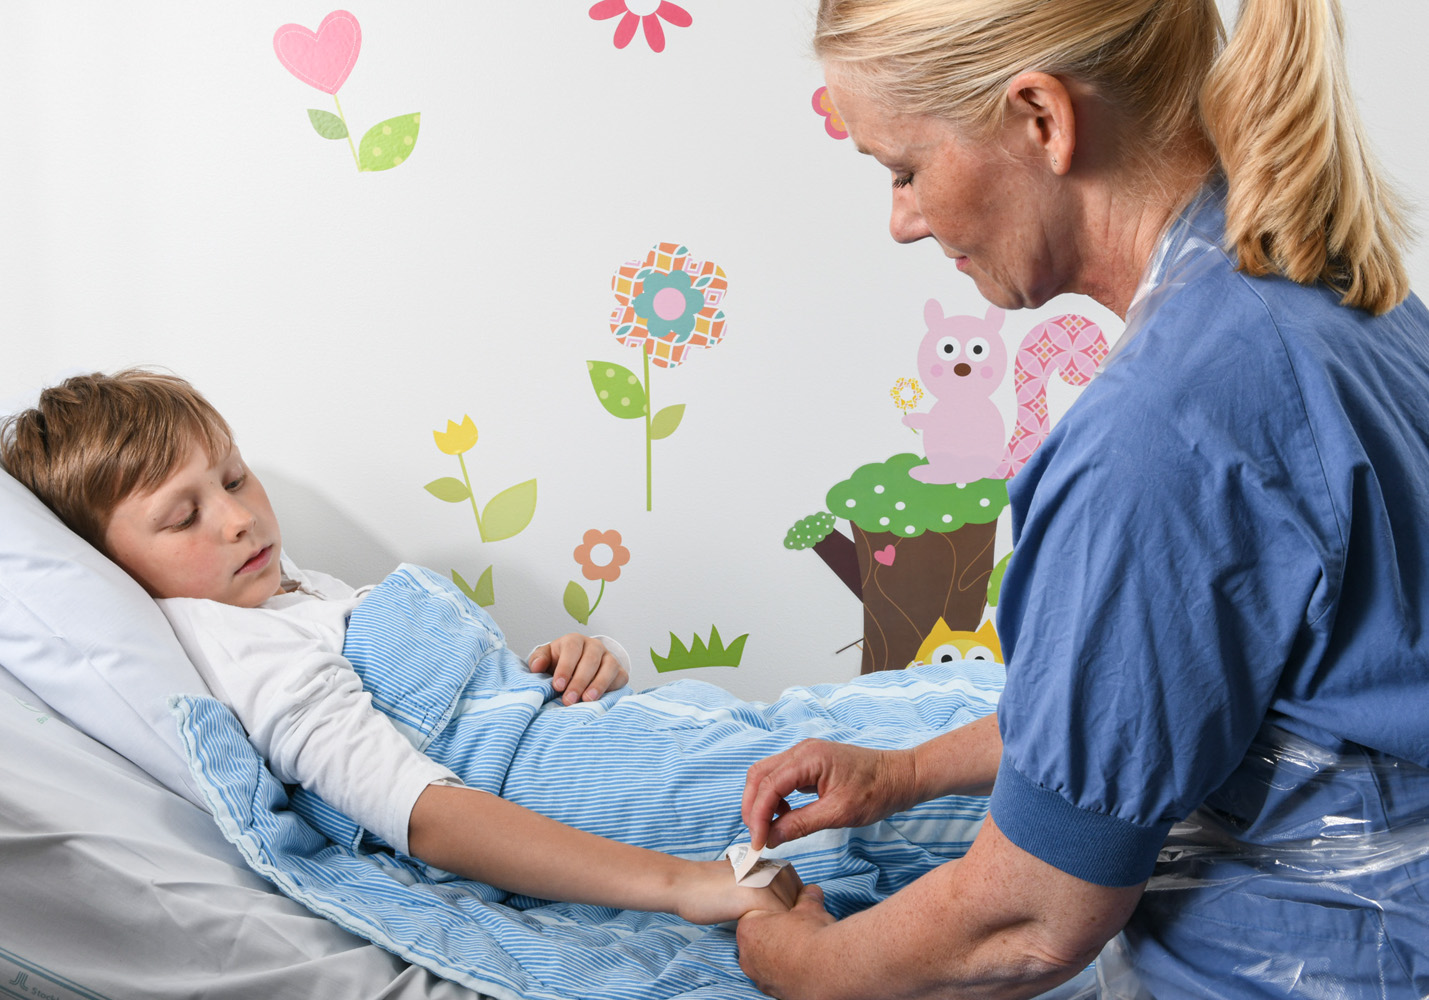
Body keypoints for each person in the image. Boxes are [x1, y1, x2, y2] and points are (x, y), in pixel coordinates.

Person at [736, 1, 1429, 998]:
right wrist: (907, 772)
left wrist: (806, 965)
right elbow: (1176, 690)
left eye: (904, 169)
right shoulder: (1338, 291)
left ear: (1040, 120)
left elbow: (1026, 921)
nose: (902, 221)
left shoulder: (1156, 436)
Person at [0, 368, 1001, 932]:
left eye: (232, 476)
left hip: (617, 741)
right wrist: (677, 882)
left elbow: (447, 704)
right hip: (621, 798)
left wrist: (564, 662)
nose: (236, 516)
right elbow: (427, 815)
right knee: (926, 788)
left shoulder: (293, 597)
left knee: (883, 729)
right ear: (111, 566)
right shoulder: (238, 650)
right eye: (184, 513)